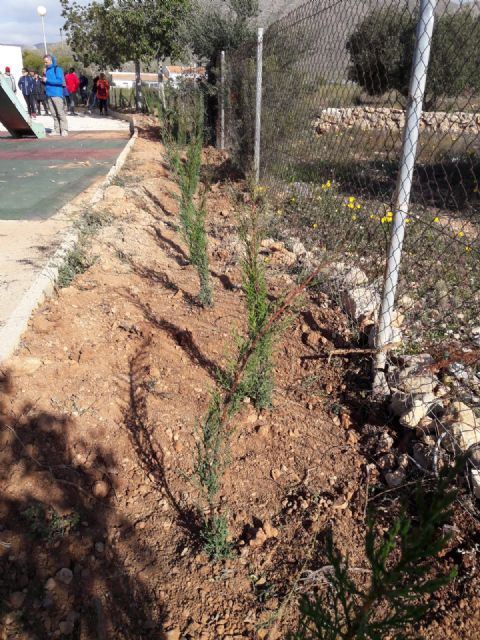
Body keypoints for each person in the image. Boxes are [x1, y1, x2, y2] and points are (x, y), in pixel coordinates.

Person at [43, 55, 68, 137]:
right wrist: (43, 78)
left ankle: (64, 130)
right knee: (53, 113)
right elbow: (46, 82)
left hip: (57, 94)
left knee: (60, 113)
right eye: (44, 62)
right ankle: (57, 130)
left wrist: (48, 80)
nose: (45, 63)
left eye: (46, 62)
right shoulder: (46, 70)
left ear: (50, 60)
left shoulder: (57, 69)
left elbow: (60, 81)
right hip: (49, 94)